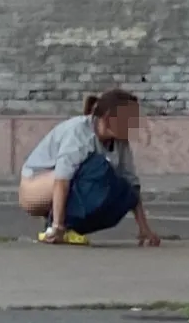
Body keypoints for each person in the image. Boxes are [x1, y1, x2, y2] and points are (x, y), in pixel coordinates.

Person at [19, 88, 160, 246]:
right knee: (97, 167)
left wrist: (144, 229)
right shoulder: (80, 132)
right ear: (109, 118)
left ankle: (71, 227)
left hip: (66, 183)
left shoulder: (120, 142)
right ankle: (56, 226)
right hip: (35, 186)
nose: (133, 125)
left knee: (123, 190)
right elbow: (62, 179)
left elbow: (131, 183)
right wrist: (58, 226)